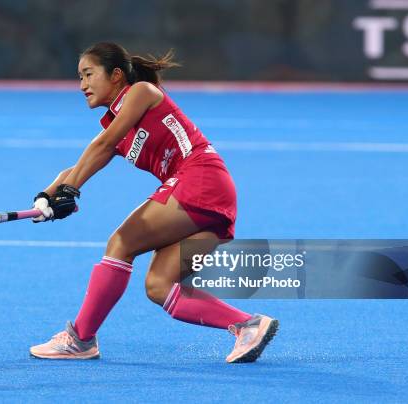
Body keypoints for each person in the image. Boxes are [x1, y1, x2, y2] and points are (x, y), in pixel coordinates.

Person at [28, 42, 278, 363]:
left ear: (116, 75)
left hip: (199, 179)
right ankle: (248, 326)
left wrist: (70, 191)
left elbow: (103, 145)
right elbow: (77, 166)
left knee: (121, 242)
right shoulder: (114, 124)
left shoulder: (141, 92)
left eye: (89, 74)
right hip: (207, 194)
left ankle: (81, 338)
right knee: (159, 286)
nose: (82, 85)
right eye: (79, 78)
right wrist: (46, 197)